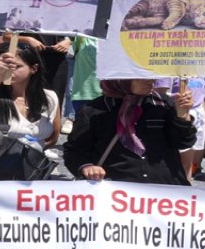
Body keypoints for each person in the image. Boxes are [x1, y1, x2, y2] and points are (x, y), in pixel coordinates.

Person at [63, 79, 195, 185]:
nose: (151, 81)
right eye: (141, 77)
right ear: (121, 79)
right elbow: (74, 151)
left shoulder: (163, 104)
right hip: (117, 195)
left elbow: (183, 142)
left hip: (165, 194)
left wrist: (183, 115)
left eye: (152, 75)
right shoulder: (94, 110)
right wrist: (86, 167)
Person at [0, 45, 61, 157]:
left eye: (16, 66)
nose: (9, 70)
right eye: (6, 66)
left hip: (31, 170)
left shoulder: (49, 98)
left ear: (34, 68)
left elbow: (53, 137)